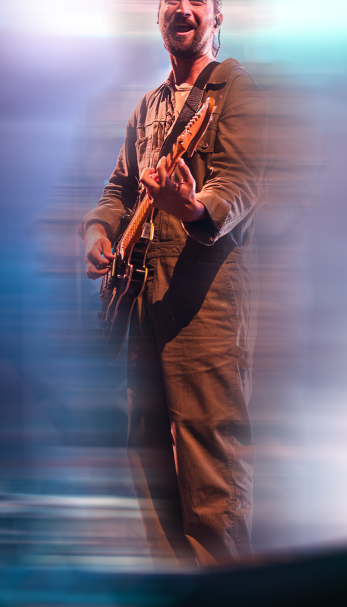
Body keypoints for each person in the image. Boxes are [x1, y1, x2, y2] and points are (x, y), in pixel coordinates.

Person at [80, 0, 266, 567]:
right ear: (158, 17)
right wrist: (98, 232)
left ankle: (223, 599)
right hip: (142, 295)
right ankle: (175, 589)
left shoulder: (234, 89)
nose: (182, 9)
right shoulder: (148, 106)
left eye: (197, 1)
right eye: (171, 1)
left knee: (209, 450)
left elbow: (239, 183)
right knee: (148, 448)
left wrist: (190, 207)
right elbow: (119, 189)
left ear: (217, 17)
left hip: (203, 291)